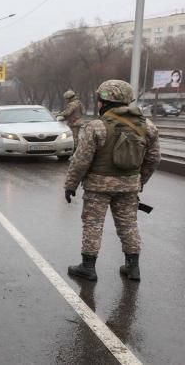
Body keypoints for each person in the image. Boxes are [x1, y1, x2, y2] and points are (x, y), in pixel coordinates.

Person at [64, 80, 160, 282]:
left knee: (93, 225)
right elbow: (153, 159)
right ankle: (133, 268)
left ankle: (88, 267)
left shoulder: (96, 126)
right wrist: (140, 181)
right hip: (129, 187)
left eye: (99, 100)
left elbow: (81, 161)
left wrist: (70, 185)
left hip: (97, 187)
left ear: (105, 102)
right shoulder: (147, 126)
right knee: (129, 225)